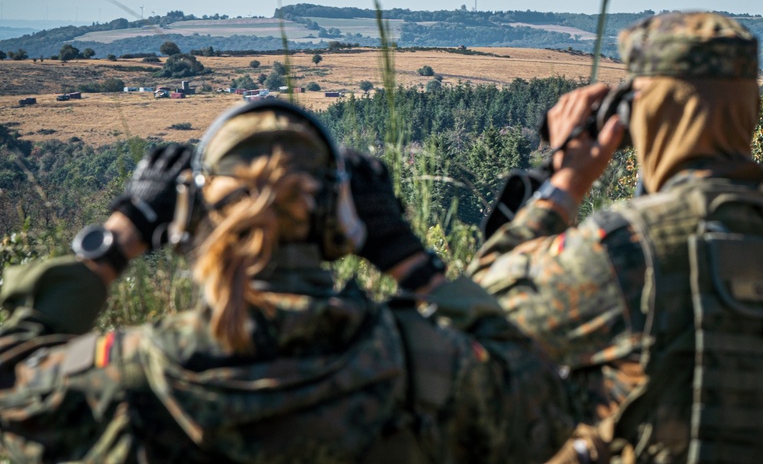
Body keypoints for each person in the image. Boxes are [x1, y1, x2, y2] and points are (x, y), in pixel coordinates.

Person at [0, 98, 576, 464]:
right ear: (340, 223)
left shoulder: (133, 375)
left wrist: (118, 236)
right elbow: (544, 402)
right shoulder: (421, 361)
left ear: (194, 221)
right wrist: (408, 259)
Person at [469, 12, 763, 463]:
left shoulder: (628, 244)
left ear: (650, 113)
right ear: (749, 107)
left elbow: (474, 312)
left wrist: (564, 183)